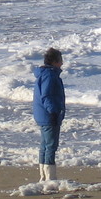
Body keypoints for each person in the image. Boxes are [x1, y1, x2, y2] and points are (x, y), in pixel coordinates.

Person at [33, 47, 66, 181]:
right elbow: (47, 96)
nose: (62, 63)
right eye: (60, 60)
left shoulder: (45, 74)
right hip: (48, 115)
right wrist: (53, 112)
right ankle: (49, 178)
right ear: (55, 61)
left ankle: (44, 176)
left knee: (45, 145)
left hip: (42, 114)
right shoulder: (50, 75)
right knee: (50, 146)